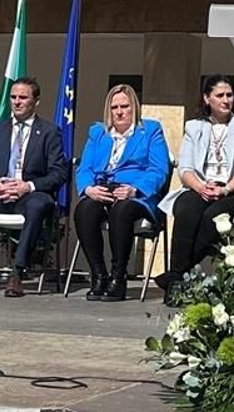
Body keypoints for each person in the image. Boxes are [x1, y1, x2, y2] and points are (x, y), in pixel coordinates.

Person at [0, 77, 67, 297]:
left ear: (36, 101)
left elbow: (59, 173)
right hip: (0, 194)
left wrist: (28, 186)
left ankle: (17, 272)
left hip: (30, 195)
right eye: (13, 97)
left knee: (37, 206)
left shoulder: (49, 131)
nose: (17, 102)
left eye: (23, 97)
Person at [153, 74, 234, 301]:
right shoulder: (194, 127)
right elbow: (185, 169)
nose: (226, 100)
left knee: (213, 216)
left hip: (231, 190)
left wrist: (225, 189)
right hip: (200, 186)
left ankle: (176, 277)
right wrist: (200, 187)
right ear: (207, 99)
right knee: (187, 210)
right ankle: (179, 279)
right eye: (220, 95)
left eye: (229, 95)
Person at [72, 84, 171, 302]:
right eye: (114, 107)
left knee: (122, 210)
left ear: (134, 107)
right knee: (84, 210)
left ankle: (119, 277)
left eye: (124, 106)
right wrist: (89, 189)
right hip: (102, 189)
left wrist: (135, 190)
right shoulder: (98, 132)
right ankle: (99, 275)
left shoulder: (150, 130)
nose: (119, 112)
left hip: (135, 194)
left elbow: (159, 169)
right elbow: (84, 168)